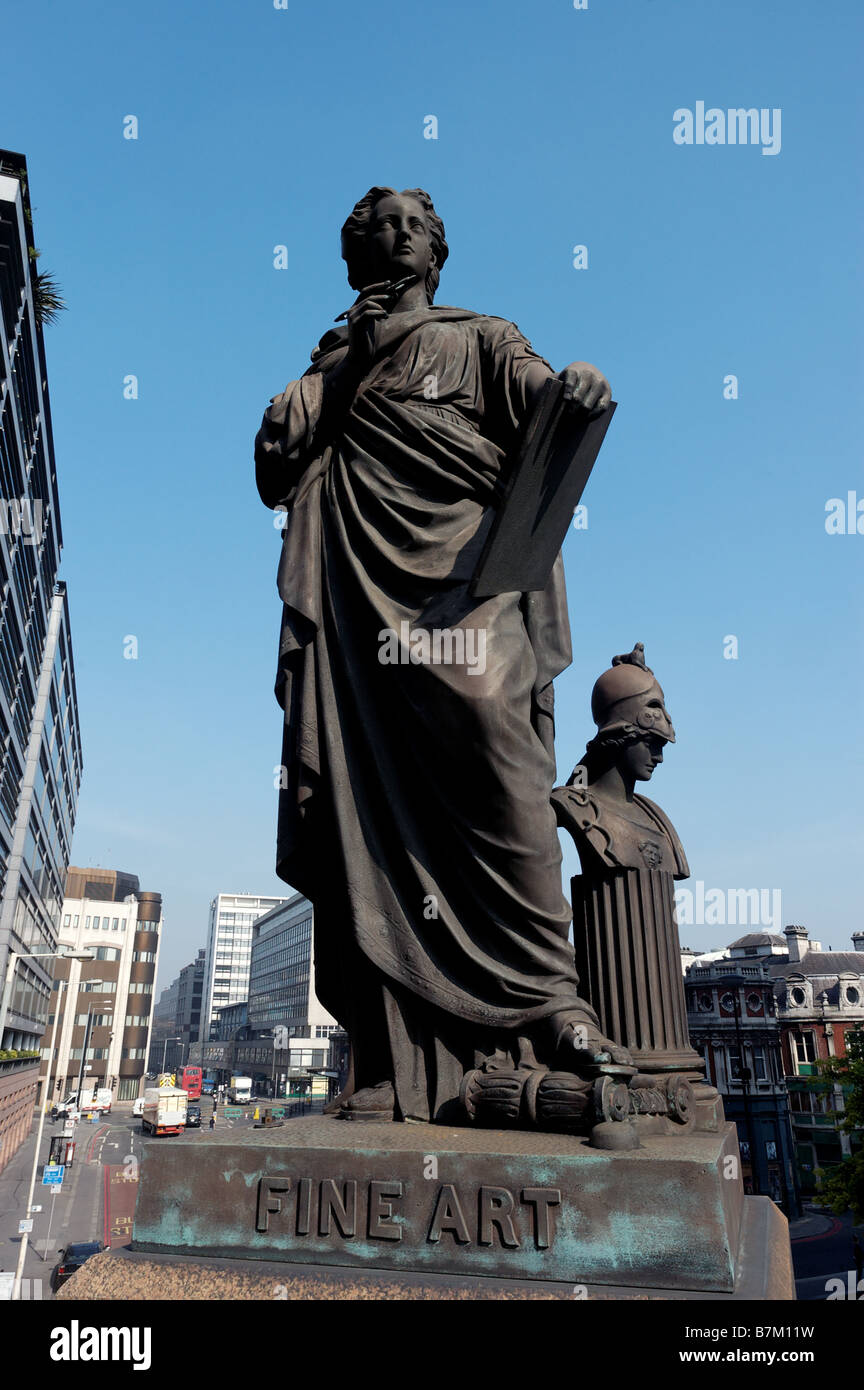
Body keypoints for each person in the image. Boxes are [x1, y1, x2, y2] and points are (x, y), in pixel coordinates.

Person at [255, 186, 622, 1125]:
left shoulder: (482, 334)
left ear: (438, 250)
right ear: (355, 256)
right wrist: (347, 369)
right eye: (380, 223)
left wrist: (573, 383)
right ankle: (388, 1051)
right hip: (356, 596)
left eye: (416, 223)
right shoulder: (333, 363)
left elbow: (543, 396)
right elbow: (271, 462)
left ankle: (551, 1000)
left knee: (502, 756)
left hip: (468, 581)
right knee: (362, 805)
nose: (399, 234)